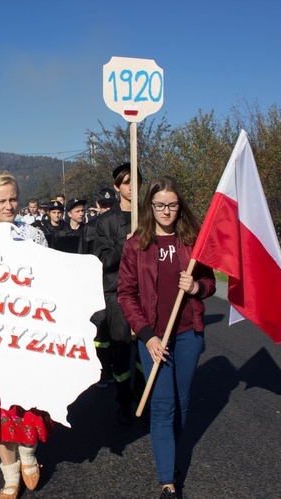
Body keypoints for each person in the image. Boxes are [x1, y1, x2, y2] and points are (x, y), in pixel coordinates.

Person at [117, 176, 216, 498]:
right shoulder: (137, 244)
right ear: (150, 206)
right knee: (161, 407)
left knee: (181, 405)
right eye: (160, 205)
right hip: (153, 339)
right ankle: (167, 483)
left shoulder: (193, 242)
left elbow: (210, 284)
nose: (166, 211)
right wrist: (147, 336)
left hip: (189, 334)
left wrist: (197, 288)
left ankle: (170, 456)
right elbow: (126, 294)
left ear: (180, 206)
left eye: (172, 205)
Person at [0, 174, 52, 499]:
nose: (8, 206)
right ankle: (10, 474)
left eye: (12, 199)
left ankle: (29, 452)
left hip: (25, 334)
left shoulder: (33, 235)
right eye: (1, 200)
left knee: (25, 401)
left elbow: (47, 282)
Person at [93, 163, 147, 425]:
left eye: (135, 181)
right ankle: (123, 399)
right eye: (126, 182)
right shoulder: (106, 221)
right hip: (116, 292)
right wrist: (126, 242)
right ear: (117, 187)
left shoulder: (150, 215)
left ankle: (143, 393)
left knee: (147, 346)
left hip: (147, 293)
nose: (131, 186)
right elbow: (101, 260)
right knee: (122, 349)